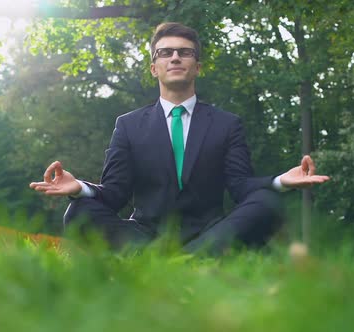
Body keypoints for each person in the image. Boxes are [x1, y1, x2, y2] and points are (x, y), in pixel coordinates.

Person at [30, 22, 329, 253]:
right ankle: (192, 263)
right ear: (154, 68)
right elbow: (115, 194)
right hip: (145, 235)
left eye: (184, 52)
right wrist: (79, 188)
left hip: (211, 232)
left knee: (268, 201)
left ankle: (181, 262)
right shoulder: (128, 125)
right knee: (80, 210)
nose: (175, 57)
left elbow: (240, 187)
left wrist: (280, 181)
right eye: (166, 53)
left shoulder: (227, 124)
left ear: (196, 67)